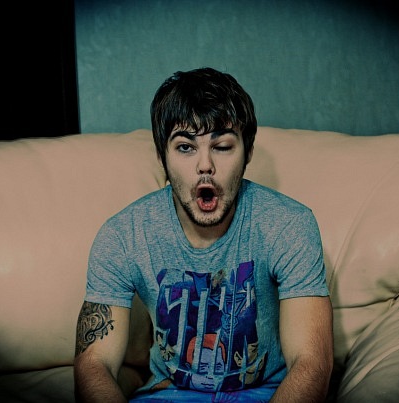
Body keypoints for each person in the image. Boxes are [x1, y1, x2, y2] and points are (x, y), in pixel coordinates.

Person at [73, 67, 333, 402]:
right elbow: (94, 363)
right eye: (185, 147)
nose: (205, 165)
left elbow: (312, 364)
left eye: (222, 146)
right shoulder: (123, 236)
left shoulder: (289, 226)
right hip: (169, 393)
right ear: (161, 157)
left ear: (248, 152)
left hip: (267, 394)